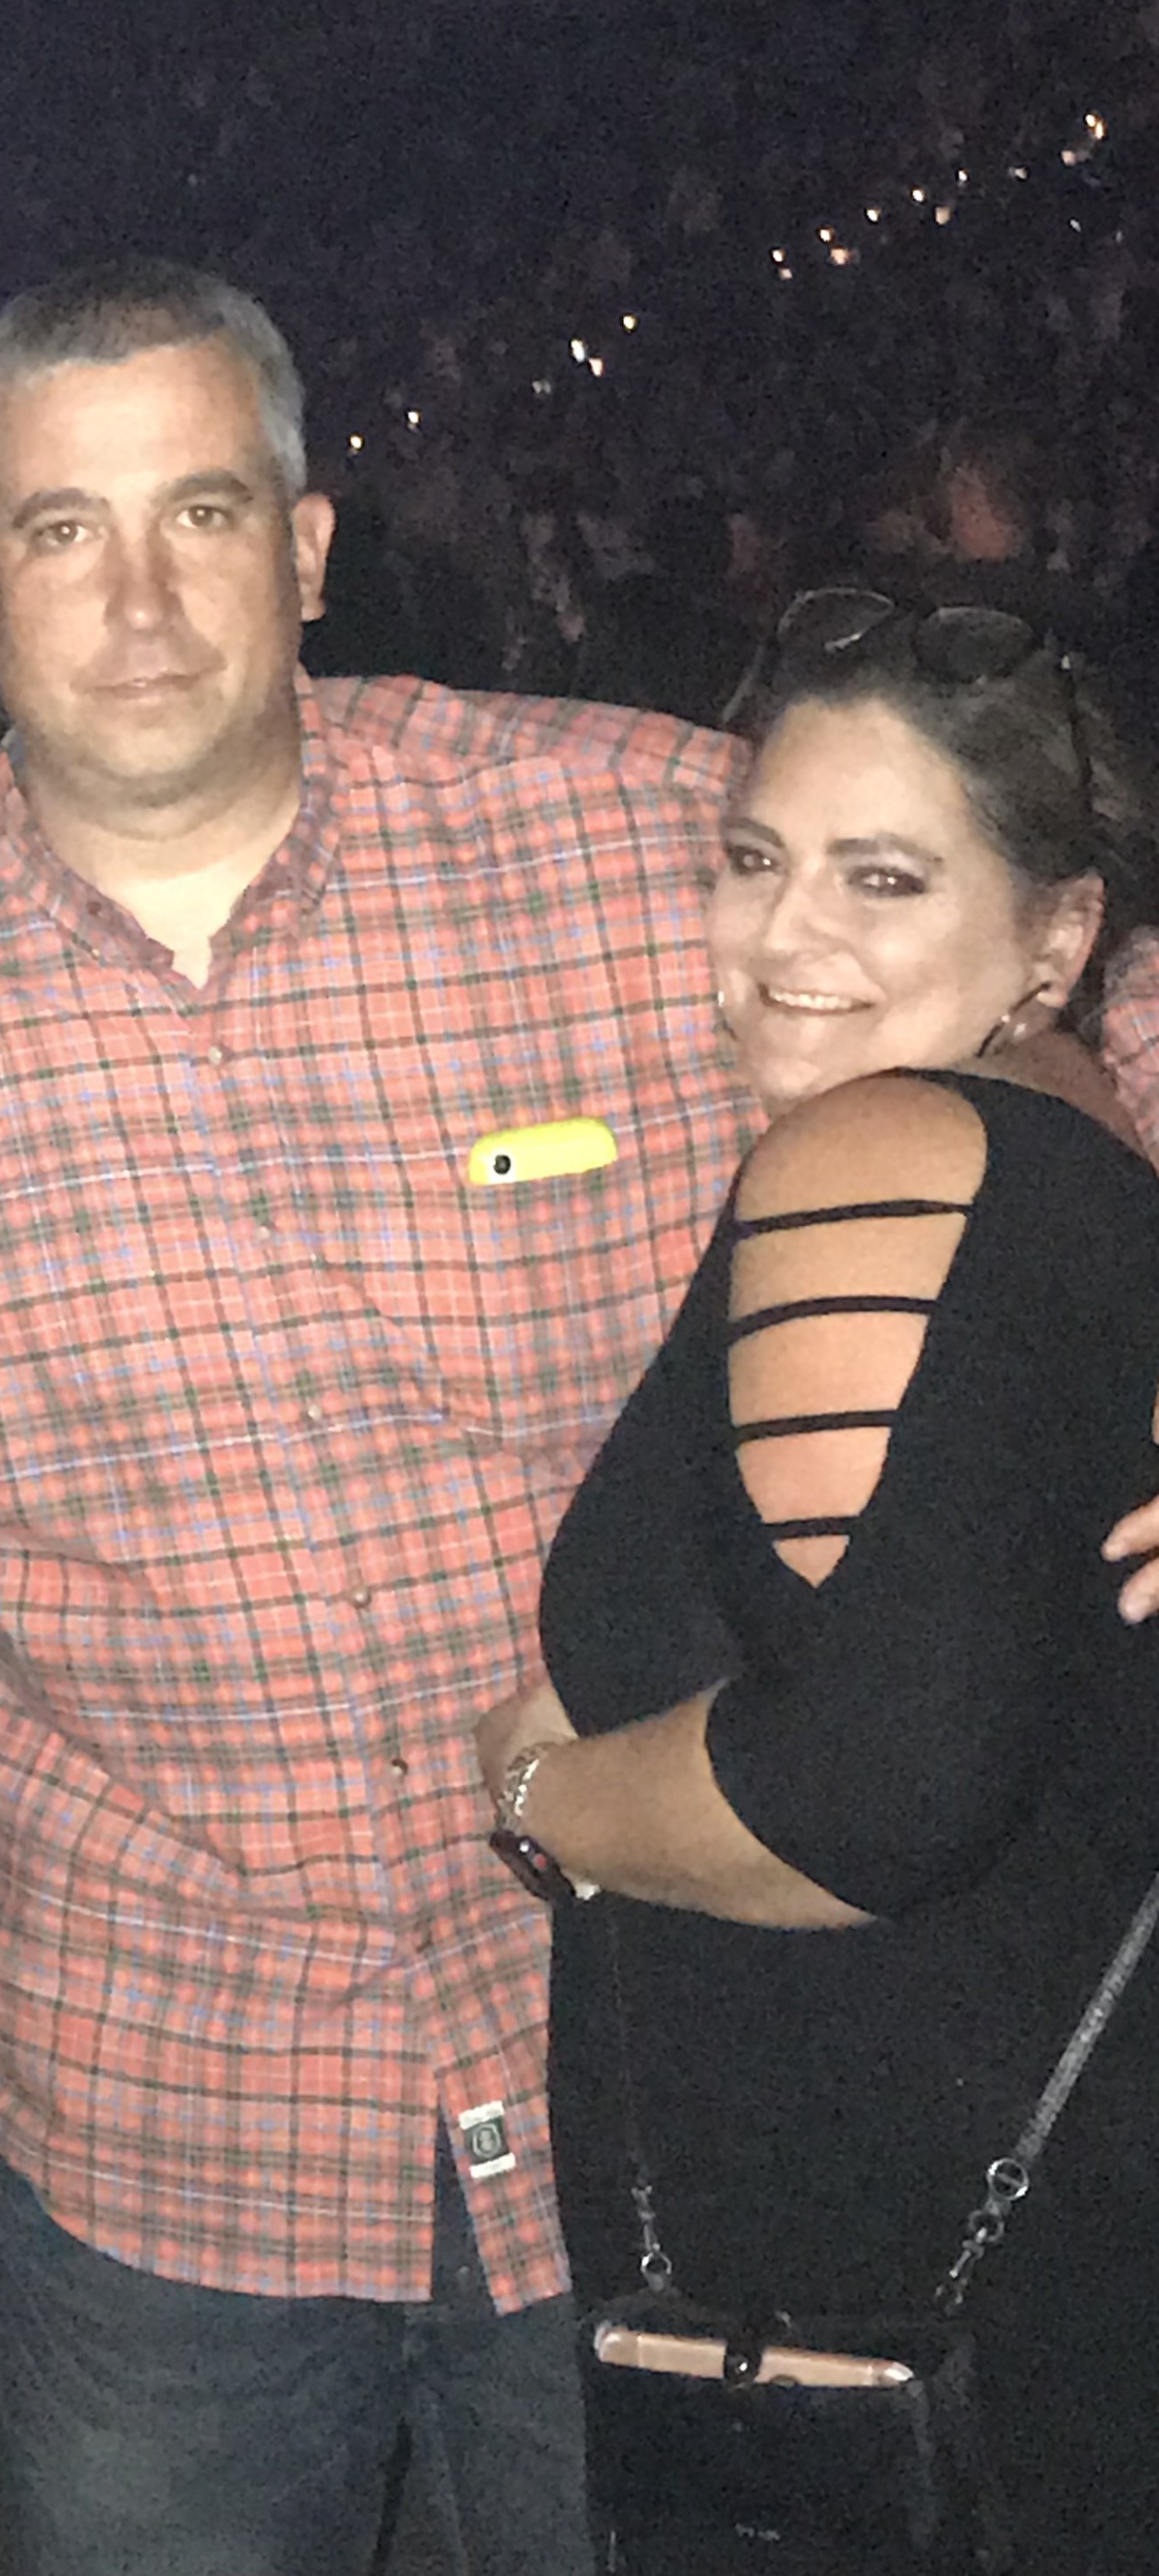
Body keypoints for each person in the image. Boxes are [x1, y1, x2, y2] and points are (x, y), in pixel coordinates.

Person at [0, 263, 1159, 2576]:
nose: (144, 598)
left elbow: (1046, 989)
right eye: (65, 530)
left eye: (204, 512)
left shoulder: (634, 836)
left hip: (664, 2074)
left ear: (306, 546)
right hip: (162, 2125)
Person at [478, 594, 1159, 2571]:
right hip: (1043, 2208)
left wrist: (538, 1792)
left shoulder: (874, 1155)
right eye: (754, 858)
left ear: (1056, 938)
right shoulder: (1080, 1159)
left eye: (882, 878)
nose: (785, 936)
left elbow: (863, 1792)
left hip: (877, 2233)